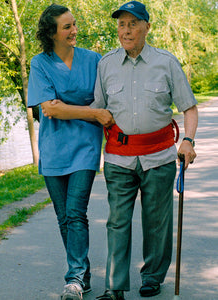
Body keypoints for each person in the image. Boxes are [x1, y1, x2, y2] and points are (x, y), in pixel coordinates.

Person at [43, 1, 198, 300]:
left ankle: (152, 276)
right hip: (118, 157)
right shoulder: (107, 64)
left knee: (157, 221)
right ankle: (115, 288)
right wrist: (60, 109)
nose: (126, 30)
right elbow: (97, 110)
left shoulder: (166, 62)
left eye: (133, 23)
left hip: (159, 156)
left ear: (146, 27)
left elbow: (189, 108)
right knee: (117, 221)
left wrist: (188, 140)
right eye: (121, 24)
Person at [27, 4, 114, 300]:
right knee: (63, 216)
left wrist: (68, 110)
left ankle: (74, 278)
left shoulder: (93, 60)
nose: (74, 30)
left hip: (86, 149)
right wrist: (91, 112)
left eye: (74, 24)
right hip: (53, 150)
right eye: (67, 27)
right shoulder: (40, 64)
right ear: (51, 33)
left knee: (76, 213)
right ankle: (83, 276)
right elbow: (48, 108)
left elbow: (106, 100)